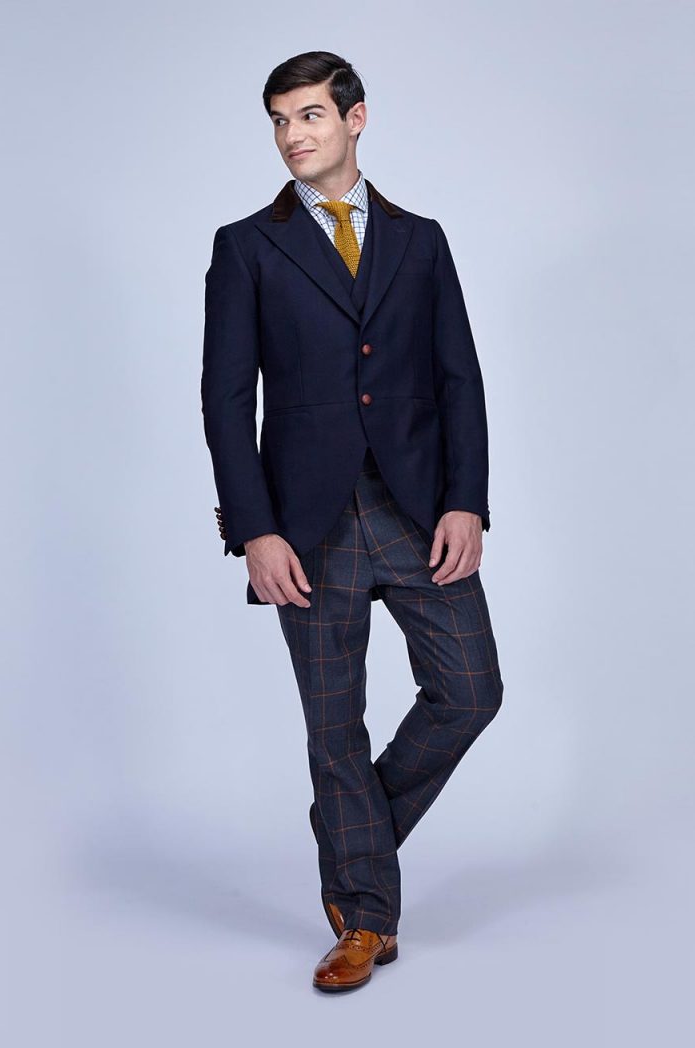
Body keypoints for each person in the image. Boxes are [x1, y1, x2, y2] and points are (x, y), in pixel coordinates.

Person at [200, 51, 505, 994]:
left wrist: (466, 500)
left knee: (471, 691)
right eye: (279, 120)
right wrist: (254, 529)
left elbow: (460, 378)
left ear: (355, 119)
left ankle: (349, 837)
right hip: (306, 524)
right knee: (334, 725)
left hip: (415, 507)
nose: (292, 135)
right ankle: (365, 919)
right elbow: (225, 399)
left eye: (309, 116)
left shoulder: (421, 240)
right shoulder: (247, 246)